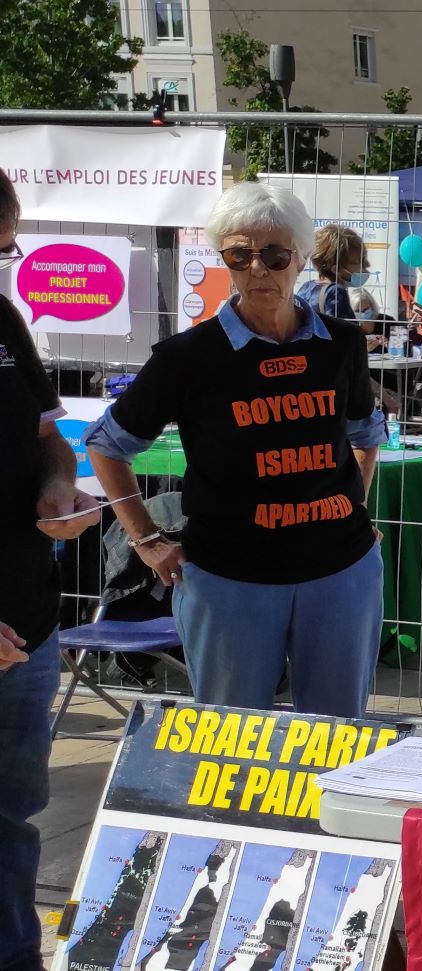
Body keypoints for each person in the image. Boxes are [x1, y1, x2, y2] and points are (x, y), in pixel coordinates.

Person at [85, 181, 388, 719]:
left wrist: (355, 508)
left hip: (341, 573)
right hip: (230, 580)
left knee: (338, 734)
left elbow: (366, 435)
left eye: (274, 255)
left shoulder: (341, 344)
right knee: (231, 738)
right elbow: (108, 445)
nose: (257, 270)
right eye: (239, 256)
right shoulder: (189, 357)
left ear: (300, 258)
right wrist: (148, 541)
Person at [0, 170, 102, 971]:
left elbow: (49, 440)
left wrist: (59, 486)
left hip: (28, 623)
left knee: (13, 816)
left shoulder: (3, 320)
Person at [296, 224, 368, 321]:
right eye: (357, 262)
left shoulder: (306, 287)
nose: (363, 266)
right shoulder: (336, 292)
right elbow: (343, 329)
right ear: (336, 269)